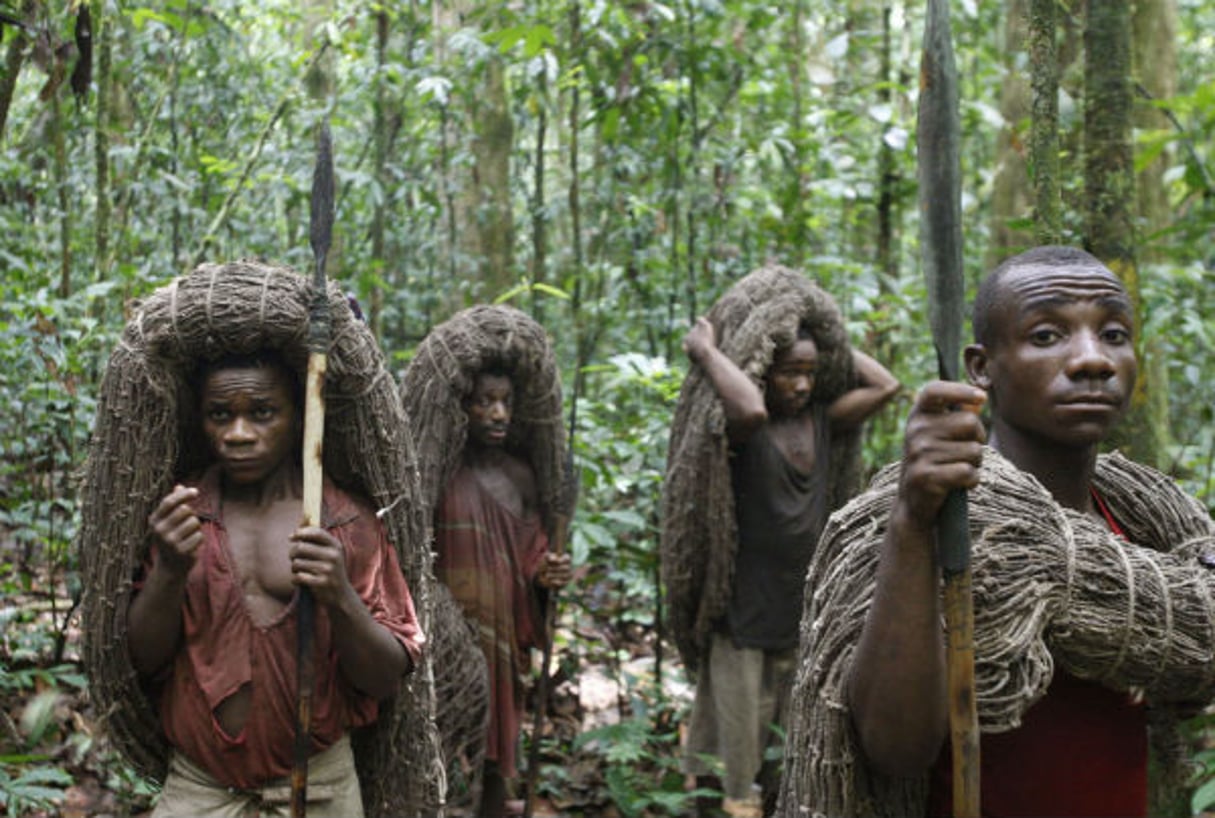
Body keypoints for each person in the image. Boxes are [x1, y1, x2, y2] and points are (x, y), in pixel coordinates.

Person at [778, 245, 1215, 816]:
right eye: (1046, 336)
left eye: (1112, 334)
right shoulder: (935, 521)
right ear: (981, 367)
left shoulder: (1143, 527)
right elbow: (895, 749)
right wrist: (912, 523)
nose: (1092, 359)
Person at [127, 350, 424, 818]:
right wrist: (168, 570)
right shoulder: (182, 512)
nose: (238, 435)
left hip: (318, 787)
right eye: (220, 415)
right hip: (200, 787)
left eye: (262, 413)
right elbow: (141, 661)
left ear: (301, 417)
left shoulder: (345, 522)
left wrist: (340, 596)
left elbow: (386, 679)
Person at [680, 312, 899, 817]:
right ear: (762, 371)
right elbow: (752, 411)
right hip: (742, 613)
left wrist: (829, 332)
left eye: (809, 372)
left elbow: (886, 385)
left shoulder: (821, 421)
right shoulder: (744, 427)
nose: (801, 384)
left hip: (800, 613)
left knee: (786, 745)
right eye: (787, 372)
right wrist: (709, 352)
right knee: (731, 747)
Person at [434, 366, 573, 818]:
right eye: (484, 402)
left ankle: (493, 808)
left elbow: (532, 549)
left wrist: (544, 573)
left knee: (500, 739)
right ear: (460, 407)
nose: (497, 414)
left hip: (503, 635)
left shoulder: (521, 476)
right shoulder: (439, 475)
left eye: (506, 403)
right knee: (447, 731)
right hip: (450, 633)